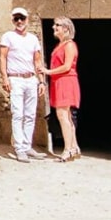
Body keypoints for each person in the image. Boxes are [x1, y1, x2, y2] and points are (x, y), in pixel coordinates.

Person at [0, 6, 47, 162]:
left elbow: (37, 61)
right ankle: (19, 148)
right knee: (18, 114)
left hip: (31, 79)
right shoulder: (8, 37)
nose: (19, 21)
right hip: (16, 79)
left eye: (22, 18)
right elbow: (2, 58)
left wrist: (41, 81)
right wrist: (5, 78)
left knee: (30, 114)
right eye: (16, 18)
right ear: (13, 20)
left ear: (27, 19)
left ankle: (27, 146)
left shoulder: (33, 39)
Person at [41, 16, 81, 162]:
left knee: (63, 116)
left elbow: (67, 66)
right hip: (59, 81)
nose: (54, 27)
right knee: (67, 116)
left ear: (66, 28)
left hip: (66, 81)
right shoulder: (61, 44)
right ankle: (74, 147)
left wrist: (47, 71)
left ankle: (67, 149)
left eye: (57, 25)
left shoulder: (69, 45)